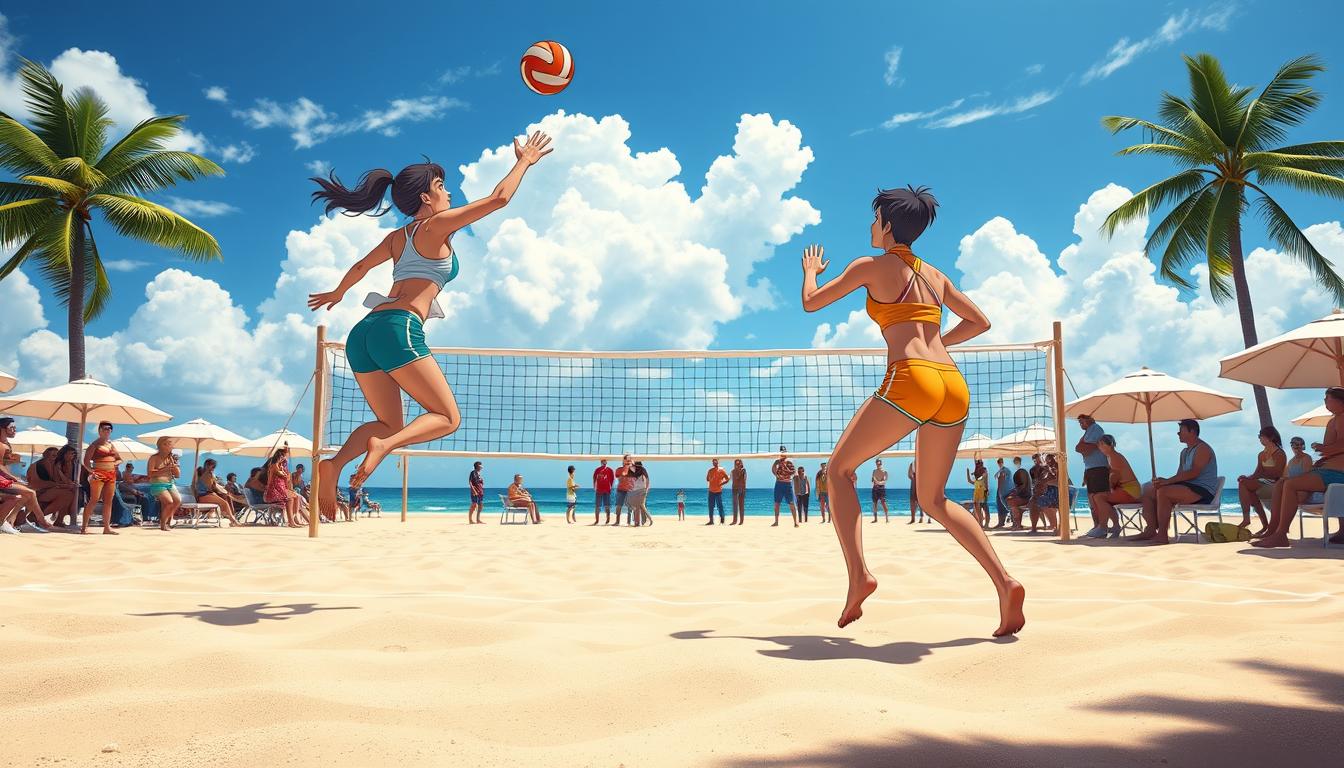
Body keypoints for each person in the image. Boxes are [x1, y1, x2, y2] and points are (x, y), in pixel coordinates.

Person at [800, 185, 1024, 634]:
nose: (870, 226)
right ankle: (1005, 582)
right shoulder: (935, 275)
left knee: (839, 470)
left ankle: (859, 575)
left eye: (873, 219)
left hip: (912, 378)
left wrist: (811, 271)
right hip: (953, 384)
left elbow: (811, 302)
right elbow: (980, 322)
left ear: (885, 225)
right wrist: (939, 343)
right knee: (934, 499)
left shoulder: (869, 266)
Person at [307, 131, 554, 518]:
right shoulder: (436, 226)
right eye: (442, 186)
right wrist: (525, 161)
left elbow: (359, 268)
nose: (449, 193)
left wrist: (338, 293)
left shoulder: (396, 236)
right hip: (399, 328)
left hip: (364, 332)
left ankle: (334, 465)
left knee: (390, 422)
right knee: (446, 418)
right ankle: (384, 448)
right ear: (426, 197)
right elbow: (498, 199)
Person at [1257, 389, 1344, 548]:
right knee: (1281, 484)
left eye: (1327, 399)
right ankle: (1273, 530)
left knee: (1290, 484)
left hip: (1337, 473)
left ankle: (1281, 534)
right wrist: (1324, 456)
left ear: (1339, 401)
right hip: (1328, 470)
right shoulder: (1334, 420)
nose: (1325, 402)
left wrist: (1324, 449)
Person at [1128, 419, 1218, 545]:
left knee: (1164, 492)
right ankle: (1151, 529)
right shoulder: (1184, 452)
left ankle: (1162, 535)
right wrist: (1163, 482)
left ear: (1192, 431)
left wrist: (1167, 482)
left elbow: (1194, 473)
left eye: (1181, 431)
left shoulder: (1203, 448)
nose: (1178, 434)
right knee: (1148, 490)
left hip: (1202, 490)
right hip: (1188, 487)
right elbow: (1180, 475)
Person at [1236, 426, 1284, 537]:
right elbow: (1257, 473)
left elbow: (1277, 473)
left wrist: (1260, 475)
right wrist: (1247, 477)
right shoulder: (1261, 454)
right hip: (1263, 481)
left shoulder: (1279, 453)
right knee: (1244, 483)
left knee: (1247, 486)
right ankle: (1263, 525)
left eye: (1261, 436)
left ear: (1270, 437)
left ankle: (1248, 520)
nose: (1260, 439)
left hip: (1275, 484)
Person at [1089, 435, 1140, 538]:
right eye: (1099, 444)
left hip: (1130, 491)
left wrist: (1107, 488)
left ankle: (1103, 527)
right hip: (1128, 489)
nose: (1099, 447)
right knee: (1100, 497)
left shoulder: (1114, 457)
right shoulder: (1111, 456)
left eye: (1101, 444)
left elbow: (1114, 478)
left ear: (1109, 445)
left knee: (1099, 497)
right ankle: (1114, 526)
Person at [1076, 415, 1111, 538]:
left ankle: (1102, 527)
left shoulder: (1095, 428)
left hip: (1098, 469)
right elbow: (1080, 449)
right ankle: (1098, 526)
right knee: (1093, 500)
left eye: (1082, 420)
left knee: (1098, 499)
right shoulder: (1088, 432)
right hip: (1091, 469)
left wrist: (1083, 447)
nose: (1080, 423)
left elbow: (1084, 449)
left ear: (1089, 419)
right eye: (1079, 421)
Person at [28, 447, 72, 531]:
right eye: (53, 455)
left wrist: (67, 465)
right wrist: (59, 485)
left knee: (68, 493)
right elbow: (37, 483)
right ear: (46, 455)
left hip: (45, 490)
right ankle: (37, 516)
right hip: (38, 491)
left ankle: (39, 517)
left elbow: (60, 481)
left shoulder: (53, 465)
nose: (55, 457)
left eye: (56, 455)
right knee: (67, 495)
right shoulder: (39, 465)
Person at [146, 437, 182, 532]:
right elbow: (150, 474)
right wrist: (166, 469)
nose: (169, 446)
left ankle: (168, 519)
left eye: (170, 444)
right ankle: (163, 523)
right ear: (160, 446)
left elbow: (178, 475)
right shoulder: (154, 458)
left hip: (170, 483)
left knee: (177, 500)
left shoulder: (171, 458)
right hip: (158, 484)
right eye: (165, 444)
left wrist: (175, 467)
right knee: (169, 502)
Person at [193, 458, 242, 526]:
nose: (213, 468)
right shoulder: (208, 474)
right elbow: (211, 487)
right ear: (207, 465)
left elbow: (212, 487)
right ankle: (233, 520)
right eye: (213, 466)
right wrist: (216, 483)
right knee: (225, 503)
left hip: (205, 495)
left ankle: (231, 518)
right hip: (204, 496)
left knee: (226, 499)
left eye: (214, 467)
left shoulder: (204, 473)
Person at [264, 446, 304, 528]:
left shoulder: (280, 466)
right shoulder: (274, 465)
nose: (285, 458)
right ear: (280, 457)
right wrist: (284, 471)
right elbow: (285, 476)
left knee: (296, 497)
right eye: (284, 456)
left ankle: (294, 518)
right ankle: (291, 522)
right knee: (289, 499)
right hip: (273, 491)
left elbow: (287, 479)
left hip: (279, 489)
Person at [771, 446, 798, 527]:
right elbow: (773, 471)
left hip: (787, 484)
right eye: (781, 452)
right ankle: (776, 522)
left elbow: (793, 472)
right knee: (777, 503)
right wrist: (775, 466)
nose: (783, 453)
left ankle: (795, 522)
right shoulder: (777, 462)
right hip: (779, 484)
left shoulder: (789, 462)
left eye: (784, 452)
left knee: (791, 503)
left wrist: (784, 469)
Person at [1005, 456, 1032, 530]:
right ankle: (1017, 524)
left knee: (1011, 501)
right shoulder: (1021, 471)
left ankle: (1017, 525)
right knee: (1010, 500)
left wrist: (1015, 492)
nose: (1016, 463)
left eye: (1017, 462)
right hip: (1024, 495)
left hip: (1025, 496)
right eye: (1015, 462)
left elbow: (1022, 485)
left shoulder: (1022, 471)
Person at [705, 458, 729, 525]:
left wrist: (721, 484)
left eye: (716, 462)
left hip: (718, 491)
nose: (714, 463)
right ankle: (711, 521)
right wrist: (711, 479)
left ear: (718, 462)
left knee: (720, 506)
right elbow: (707, 479)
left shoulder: (721, 470)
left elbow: (727, 479)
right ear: (712, 463)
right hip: (711, 491)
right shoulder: (710, 470)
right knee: (710, 506)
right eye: (713, 462)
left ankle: (722, 521)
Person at [965, 460, 989, 528]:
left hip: (982, 493)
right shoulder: (977, 480)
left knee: (985, 508)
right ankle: (980, 524)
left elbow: (985, 476)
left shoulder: (983, 473)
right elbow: (969, 480)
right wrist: (968, 472)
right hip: (977, 495)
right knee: (978, 510)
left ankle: (986, 524)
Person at [612, 454, 634, 526]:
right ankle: (617, 522)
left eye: (629, 460)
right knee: (619, 505)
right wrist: (625, 469)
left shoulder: (633, 469)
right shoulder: (619, 469)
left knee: (630, 507)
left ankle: (629, 522)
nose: (628, 461)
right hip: (621, 490)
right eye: (626, 460)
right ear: (623, 461)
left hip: (630, 490)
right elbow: (619, 477)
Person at [628, 461, 651, 526]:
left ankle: (641, 521)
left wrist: (646, 488)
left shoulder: (641, 469)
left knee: (640, 506)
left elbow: (647, 479)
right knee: (640, 506)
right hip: (637, 490)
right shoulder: (639, 469)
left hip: (640, 490)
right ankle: (639, 521)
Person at [592, 459, 614, 525]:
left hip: (607, 489)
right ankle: (597, 520)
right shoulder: (597, 469)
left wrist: (611, 487)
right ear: (601, 462)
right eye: (603, 462)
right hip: (599, 489)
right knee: (597, 505)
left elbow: (612, 479)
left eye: (605, 461)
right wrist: (594, 487)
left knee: (607, 505)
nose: (604, 463)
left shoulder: (610, 470)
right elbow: (594, 478)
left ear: (606, 462)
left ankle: (607, 519)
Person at [992, 457, 1010, 529]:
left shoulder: (1003, 471)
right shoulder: (1003, 470)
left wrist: (999, 491)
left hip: (1001, 490)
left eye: (1000, 462)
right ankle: (1001, 522)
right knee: (1003, 506)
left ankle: (1001, 522)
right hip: (1005, 489)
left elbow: (1001, 481)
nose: (999, 464)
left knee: (1000, 506)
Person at [870, 458, 889, 522]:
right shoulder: (874, 471)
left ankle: (887, 518)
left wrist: (877, 482)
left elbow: (884, 481)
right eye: (877, 463)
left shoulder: (885, 472)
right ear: (876, 464)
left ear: (881, 463)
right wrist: (875, 481)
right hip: (875, 489)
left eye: (879, 463)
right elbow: (872, 480)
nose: (878, 465)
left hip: (881, 489)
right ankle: (875, 519)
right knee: (874, 503)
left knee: (883, 503)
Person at [730, 459, 747, 525]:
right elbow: (734, 479)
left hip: (741, 488)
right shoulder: (733, 471)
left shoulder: (744, 471)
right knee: (735, 505)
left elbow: (745, 479)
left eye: (739, 463)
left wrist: (744, 489)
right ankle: (734, 520)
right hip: (735, 488)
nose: (737, 465)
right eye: (736, 464)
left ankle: (741, 521)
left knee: (741, 505)